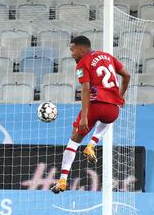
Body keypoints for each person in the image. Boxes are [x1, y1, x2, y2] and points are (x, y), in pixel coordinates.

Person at [51, 35, 131, 194]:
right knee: (108, 118)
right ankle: (92, 144)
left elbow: (86, 89)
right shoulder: (107, 56)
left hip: (95, 106)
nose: (72, 54)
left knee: (73, 142)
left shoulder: (82, 63)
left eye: (73, 50)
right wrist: (120, 96)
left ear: (82, 49)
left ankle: (62, 181)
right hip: (113, 110)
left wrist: (85, 117)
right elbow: (127, 75)